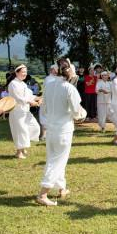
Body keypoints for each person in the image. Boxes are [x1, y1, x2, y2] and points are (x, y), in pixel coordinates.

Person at [37, 58, 83, 206]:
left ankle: (61, 188)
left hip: (51, 129)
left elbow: (44, 108)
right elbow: (76, 112)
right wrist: (82, 115)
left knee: (56, 159)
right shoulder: (69, 89)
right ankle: (43, 194)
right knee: (57, 161)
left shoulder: (49, 85)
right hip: (63, 130)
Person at [8, 65, 42, 159]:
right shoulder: (13, 84)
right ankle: (19, 152)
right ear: (17, 72)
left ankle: (23, 147)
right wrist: (30, 102)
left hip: (25, 111)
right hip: (17, 111)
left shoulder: (23, 84)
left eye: (26, 72)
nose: (25, 74)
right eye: (23, 72)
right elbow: (18, 98)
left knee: (34, 127)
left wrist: (37, 98)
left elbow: (29, 95)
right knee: (20, 131)